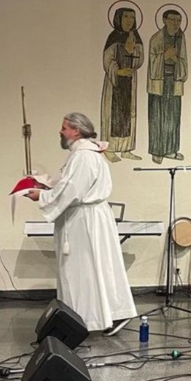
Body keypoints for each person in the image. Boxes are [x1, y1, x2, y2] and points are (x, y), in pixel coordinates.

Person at [26, 113, 137, 335]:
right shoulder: (80, 154)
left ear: (76, 131)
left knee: (86, 269)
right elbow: (65, 182)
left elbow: (72, 190)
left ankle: (95, 317)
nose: (61, 132)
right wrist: (43, 183)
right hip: (84, 217)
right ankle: (99, 316)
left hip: (86, 220)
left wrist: (43, 196)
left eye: (64, 128)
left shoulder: (84, 156)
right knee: (91, 268)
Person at [100, 7, 144, 162]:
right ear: (118, 18)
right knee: (114, 114)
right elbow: (107, 60)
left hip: (130, 81)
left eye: (132, 17)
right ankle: (110, 149)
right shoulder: (113, 38)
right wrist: (118, 71)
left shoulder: (135, 38)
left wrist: (132, 51)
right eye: (126, 17)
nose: (129, 20)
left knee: (128, 114)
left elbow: (139, 60)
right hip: (115, 82)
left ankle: (126, 148)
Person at [147, 8, 188, 164]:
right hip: (159, 83)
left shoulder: (181, 37)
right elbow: (152, 63)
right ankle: (157, 151)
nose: (176, 23)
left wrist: (175, 58)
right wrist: (164, 56)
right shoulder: (156, 38)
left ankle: (170, 149)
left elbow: (183, 60)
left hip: (173, 81)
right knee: (157, 117)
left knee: (173, 117)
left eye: (178, 20)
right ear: (164, 20)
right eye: (172, 20)